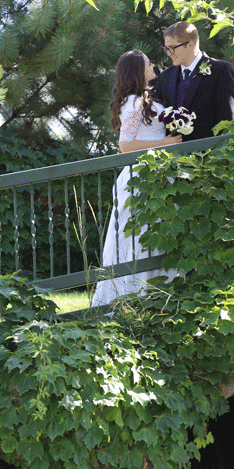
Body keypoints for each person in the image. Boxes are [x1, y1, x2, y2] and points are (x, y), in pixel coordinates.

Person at [90, 50, 182, 308]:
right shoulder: (133, 103)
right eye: (148, 64)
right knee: (140, 239)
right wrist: (165, 143)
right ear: (137, 71)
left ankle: (156, 297)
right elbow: (126, 145)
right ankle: (132, 300)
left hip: (158, 175)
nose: (153, 66)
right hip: (142, 178)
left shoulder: (144, 100)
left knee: (156, 238)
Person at [154, 21, 234, 141]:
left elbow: (229, 120)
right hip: (174, 156)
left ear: (190, 44)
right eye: (166, 49)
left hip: (210, 154)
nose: (169, 54)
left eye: (172, 48)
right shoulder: (165, 77)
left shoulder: (220, 70)